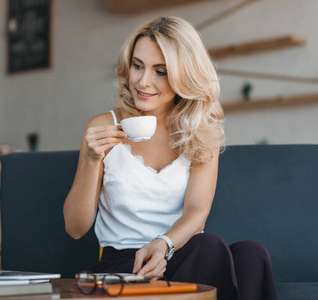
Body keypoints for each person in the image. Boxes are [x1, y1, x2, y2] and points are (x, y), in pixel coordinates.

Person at [63, 16, 277, 300]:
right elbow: (75, 229)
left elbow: (196, 211)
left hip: (179, 251)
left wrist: (163, 244)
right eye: (138, 66)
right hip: (125, 265)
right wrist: (91, 160)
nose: (143, 81)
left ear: (183, 76)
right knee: (210, 246)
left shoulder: (201, 133)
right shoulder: (103, 127)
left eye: (160, 71)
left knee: (252, 254)